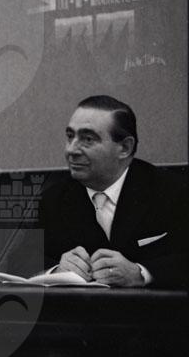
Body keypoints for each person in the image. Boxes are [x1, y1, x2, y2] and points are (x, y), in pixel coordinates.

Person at [40, 95, 188, 288]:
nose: (71, 150)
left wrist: (141, 273)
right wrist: (56, 271)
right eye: (70, 136)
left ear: (125, 148)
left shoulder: (173, 192)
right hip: (80, 307)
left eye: (88, 139)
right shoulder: (52, 199)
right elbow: (19, 261)